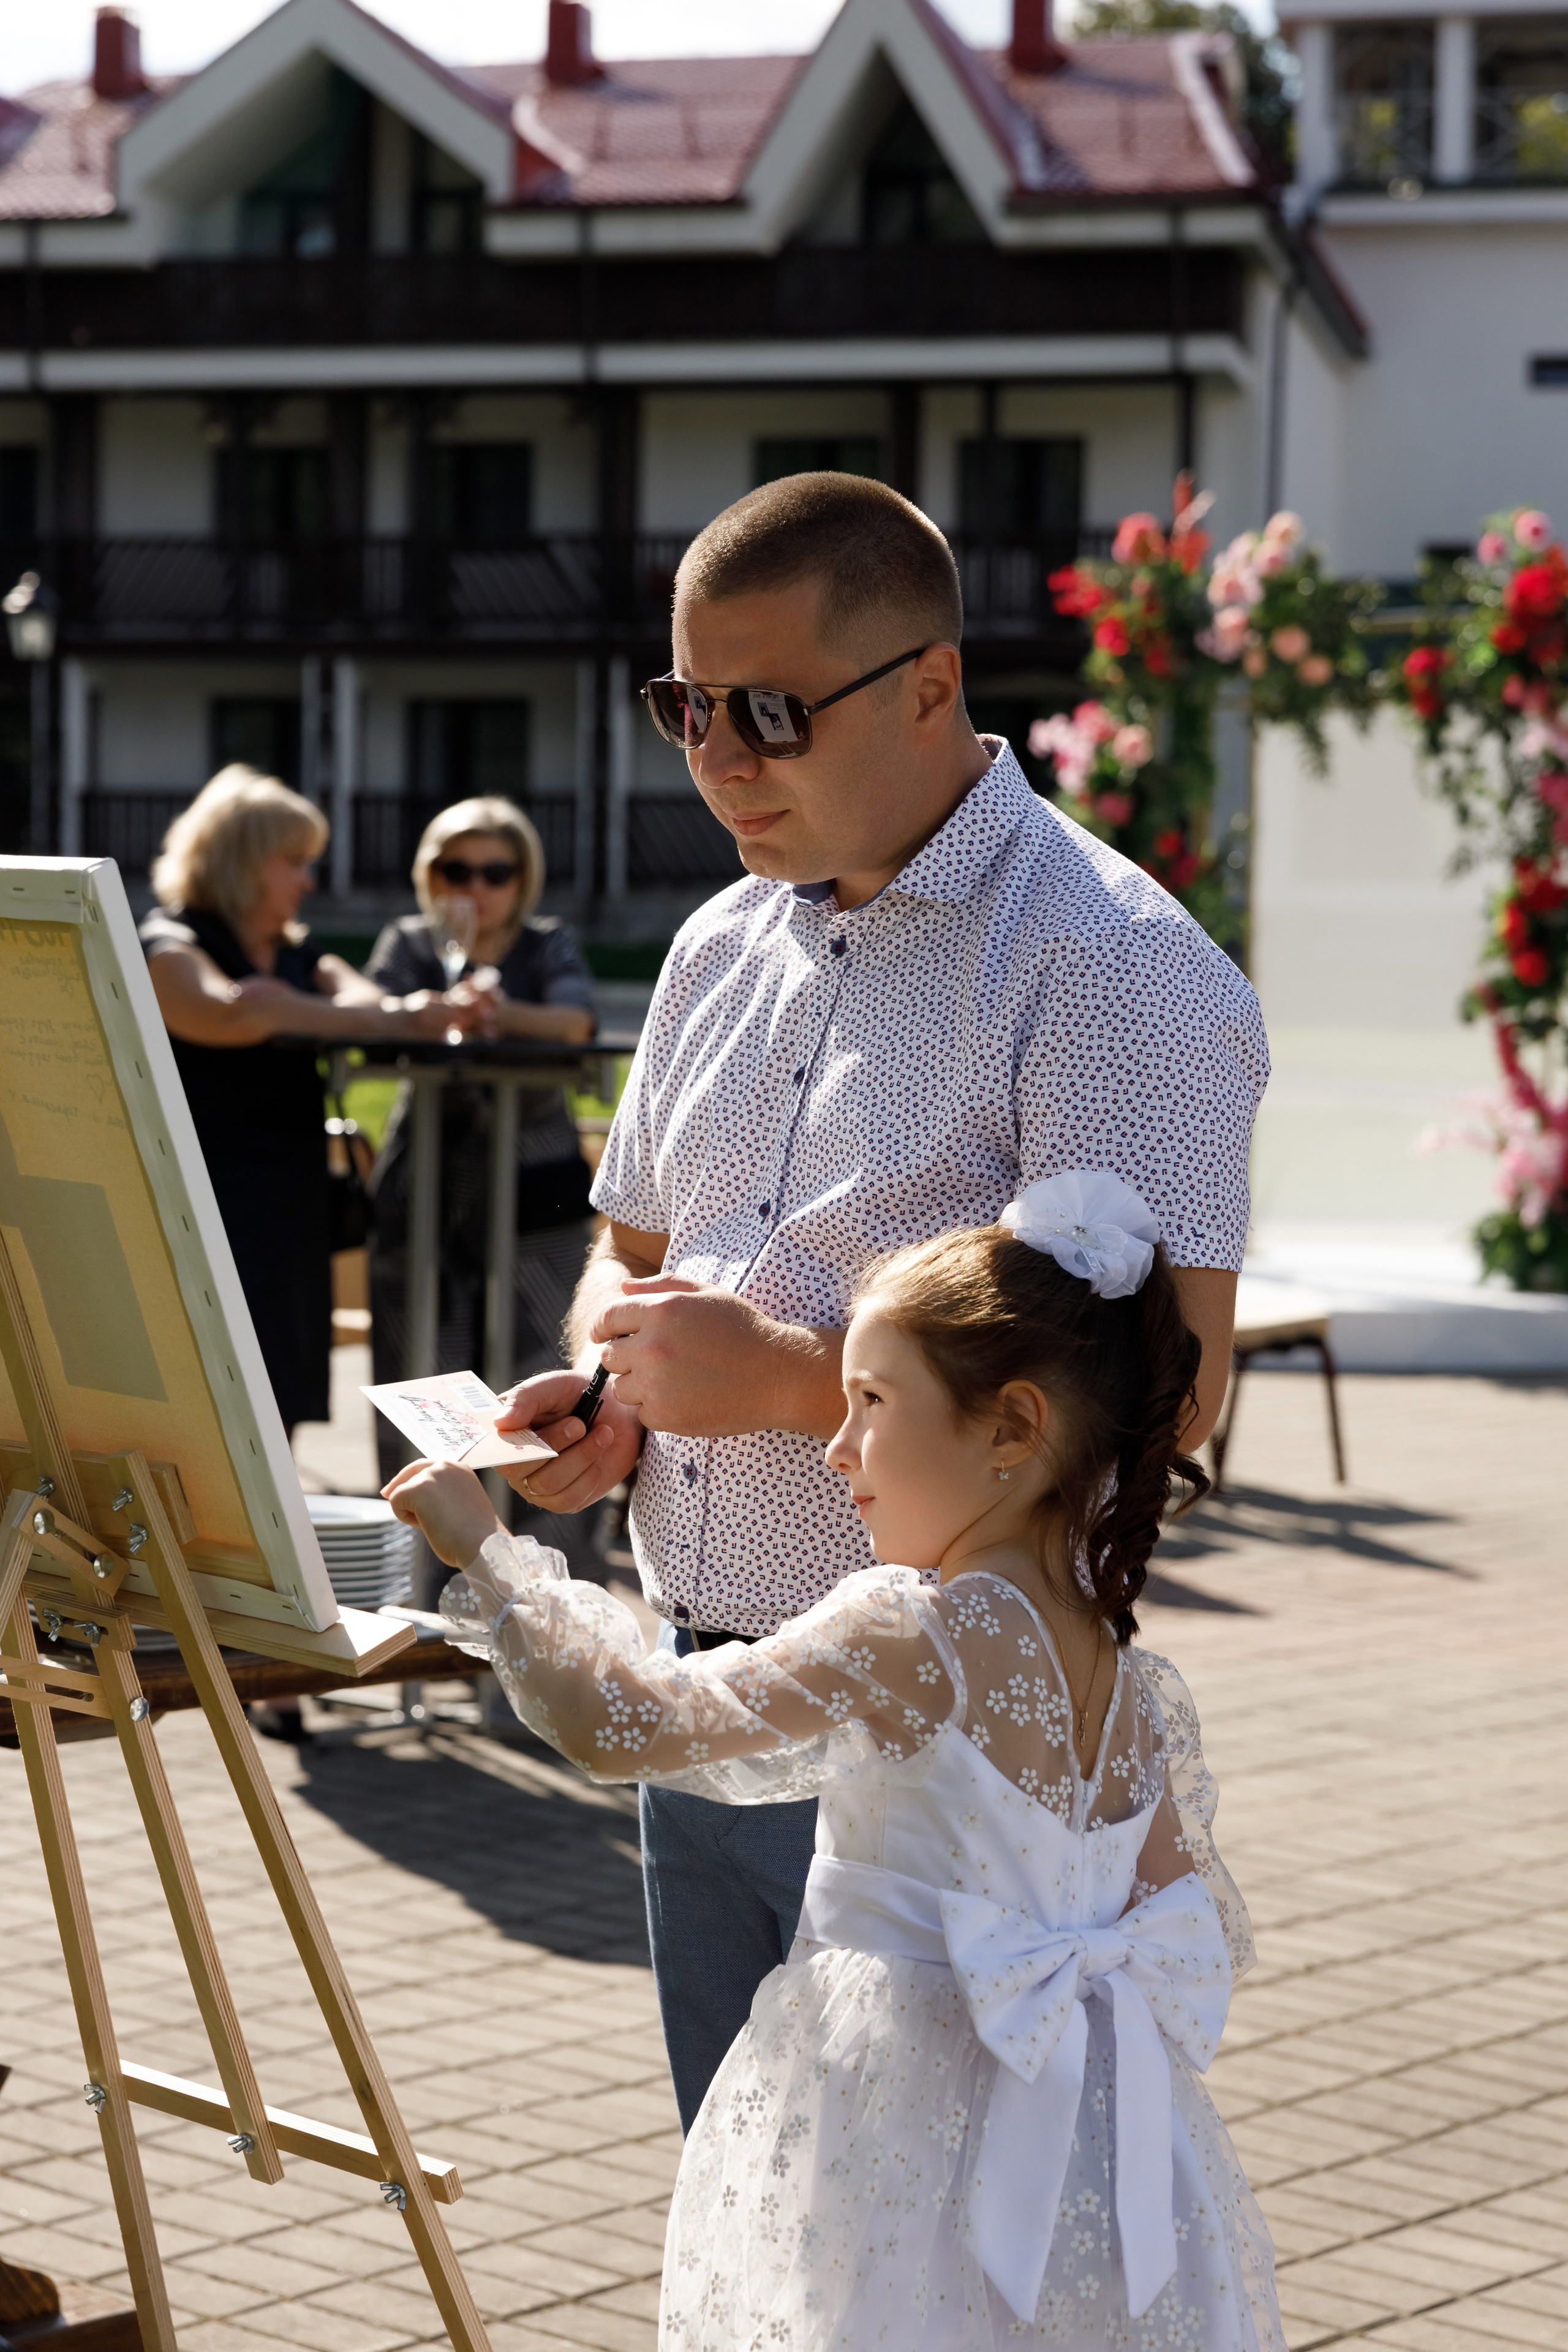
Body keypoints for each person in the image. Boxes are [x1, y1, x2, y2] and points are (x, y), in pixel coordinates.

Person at [490, 471, 1270, 2129]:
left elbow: (1165, 1394)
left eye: (767, 711)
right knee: (755, 2228)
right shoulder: (715, 946)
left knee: (925, 2273)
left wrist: (780, 1380)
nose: (716, 761)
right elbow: (627, 1257)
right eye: (686, 706)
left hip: (940, 1748)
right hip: (699, 1700)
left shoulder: (1108, 964)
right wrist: (604, 1392)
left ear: (930, 684)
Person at [383, 1171, 1284, 2351]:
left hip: (894, 2111)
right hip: (1095, 2135)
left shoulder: (909, 1628)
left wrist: (485, 1551)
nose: (837, 1448)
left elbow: (626, 1721)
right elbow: (1176, 1917)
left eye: (869, 1402)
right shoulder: (1124, 1670)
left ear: (1013, 1428)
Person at [140, 764, 467, 1436]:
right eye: (295, 862)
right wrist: (310, 1011)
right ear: (242, 861)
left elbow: (366, 1004)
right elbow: (223, 1014)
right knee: (199, 1406)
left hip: (286, 1207)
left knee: (274, 1398)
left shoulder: (294, 952)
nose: (309, 882)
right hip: (195, 1208)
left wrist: (293, 1007)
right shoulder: (171, 942)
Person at [363, 796, 598, 1555]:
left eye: (496, 871)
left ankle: (552, 1581)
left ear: (522, 878)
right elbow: (366, 1014)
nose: (476, 888)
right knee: (422, 1376)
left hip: (536, 1188)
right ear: (428, 874)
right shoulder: (411, 941)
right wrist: (418, 1008)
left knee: (545, 1374)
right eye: (454, 868)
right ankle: (424, 1585)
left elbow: (576, 1022)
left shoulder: (546, 943)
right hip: (428, 1183)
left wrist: (504, 1011)